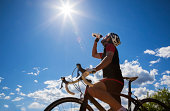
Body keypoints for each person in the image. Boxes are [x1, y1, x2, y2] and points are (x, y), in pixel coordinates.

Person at [87, 33, 126, 111]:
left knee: (92, 89)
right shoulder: (106, 51)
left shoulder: (110, 46)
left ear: (110, 38)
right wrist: (96, 41)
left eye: (106, 36)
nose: (104, 37)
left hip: (113, 79)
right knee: (114, 108)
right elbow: (94, 54)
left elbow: (108, 58)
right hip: (114, 81)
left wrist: (95, 69)